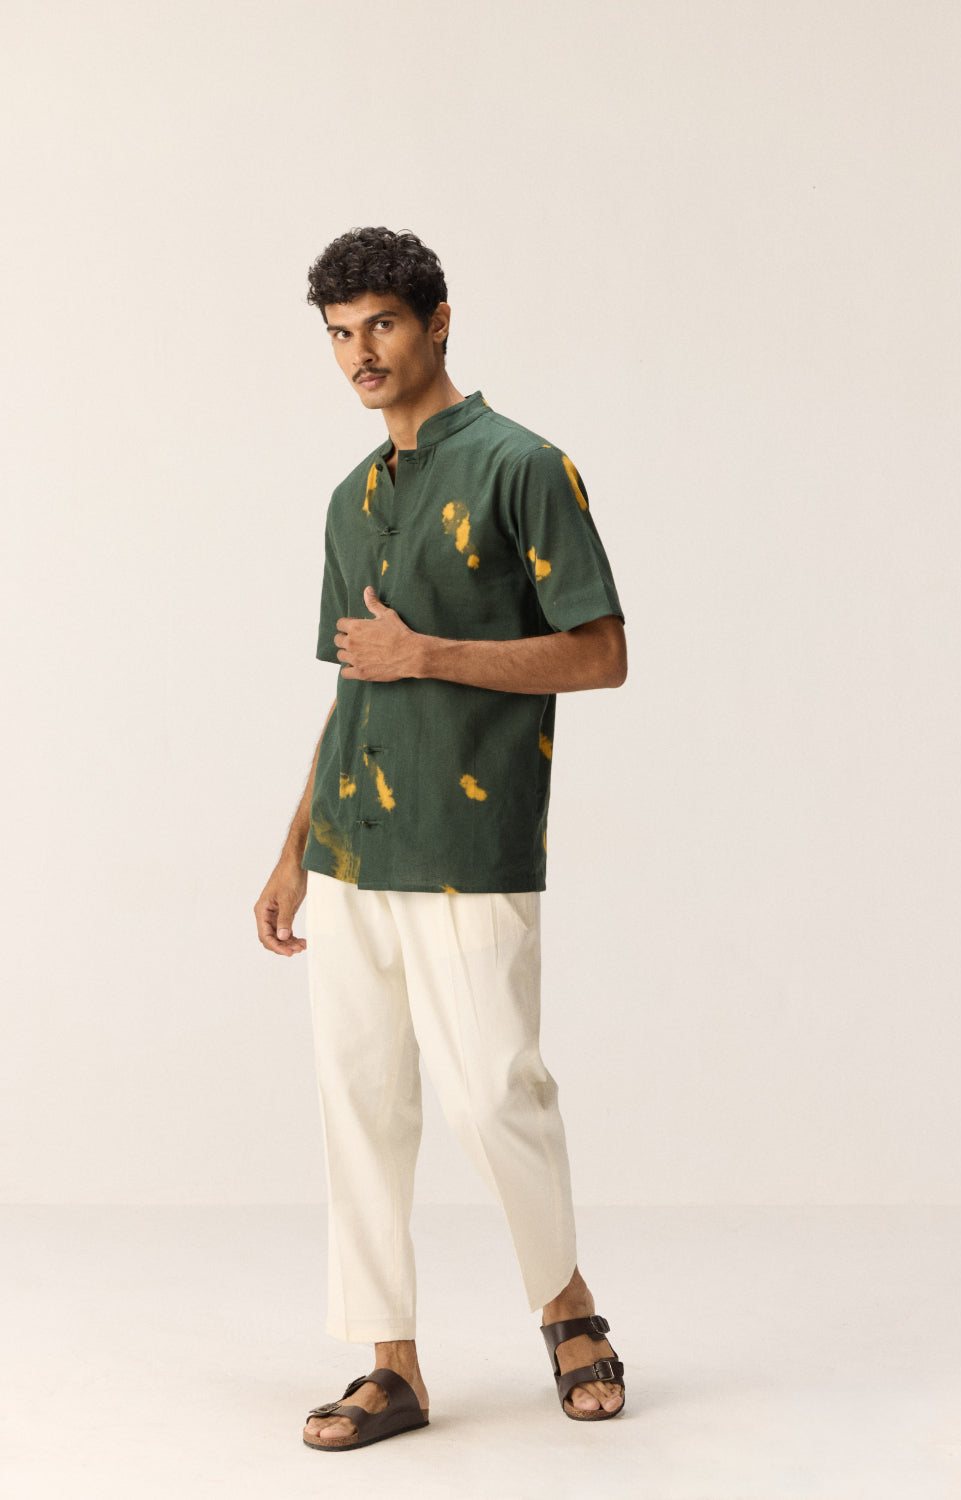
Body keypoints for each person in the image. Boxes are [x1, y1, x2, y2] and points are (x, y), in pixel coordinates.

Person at [253, 226, 629, 1452]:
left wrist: (428, 652)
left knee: (494, 1094)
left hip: (469, 845)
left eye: (380, 325)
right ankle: (390, 1363)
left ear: (437, 322)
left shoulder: (526, 467)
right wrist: (293, 846)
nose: (359, 354)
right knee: (359, 1104)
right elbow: (354, 685)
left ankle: (566, 1308)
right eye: (339, 335)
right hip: (353, 851)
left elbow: (601, 654)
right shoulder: (350, 499)